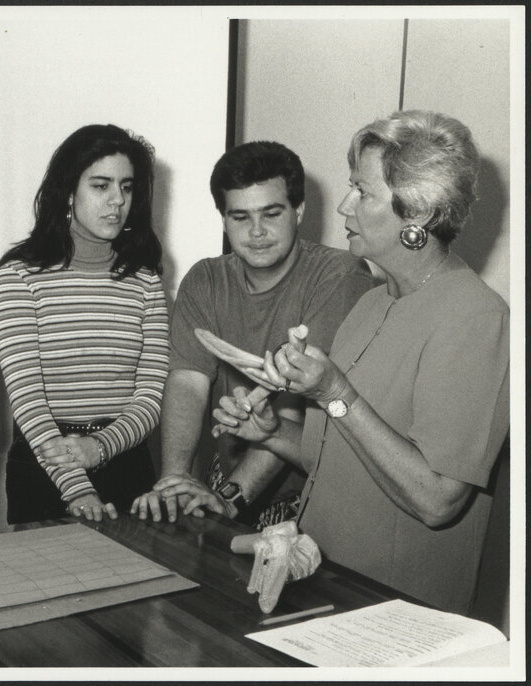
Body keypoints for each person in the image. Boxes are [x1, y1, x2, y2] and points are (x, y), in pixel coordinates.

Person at [201, 111, 509, 614]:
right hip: (324, 581)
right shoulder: (370, 302)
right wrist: (272, 433)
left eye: (362, 192)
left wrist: (335, 393)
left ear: (417, 214)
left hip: (397, 607)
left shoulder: (475, 318)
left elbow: (438, 499)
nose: (345, 205)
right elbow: (337, 460)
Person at [131, 141, 374, 529]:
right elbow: (187, 383)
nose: (257, 232)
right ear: (223, 219)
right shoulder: (205, 279)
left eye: (271, 214)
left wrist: (229, 498)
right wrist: (174, 481)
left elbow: (292, 404)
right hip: (227, 481)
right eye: (241, 217)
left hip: (310, 498)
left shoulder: (340, 275)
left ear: (298, 210)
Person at [0, 124, 169, 523]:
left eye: (126, 187)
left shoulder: (146, 281)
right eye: (101, 186)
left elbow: (150, 397)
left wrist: (100, 447)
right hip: (45, 467)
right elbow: (28, 400)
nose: (117, 200)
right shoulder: (19, 276)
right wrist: (77, 487)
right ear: (68, 192)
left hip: (127, 463)